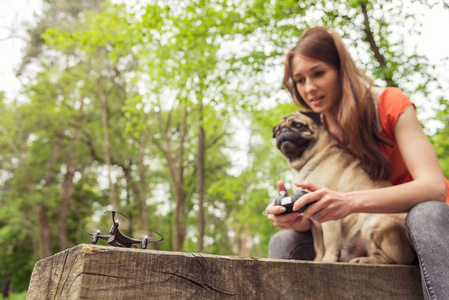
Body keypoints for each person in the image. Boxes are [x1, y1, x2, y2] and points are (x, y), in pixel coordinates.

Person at [265, 26, 449, 300]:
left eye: (318, 73)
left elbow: (435, 187)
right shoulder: (318, 130)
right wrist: (298, 217)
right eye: (299, 80)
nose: (309, 88)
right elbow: (331, 211)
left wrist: (349, 201)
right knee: (283, 241)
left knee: (426, 215)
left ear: (341, 69)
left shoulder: (389, 103)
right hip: (361, 233)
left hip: (419, 228)